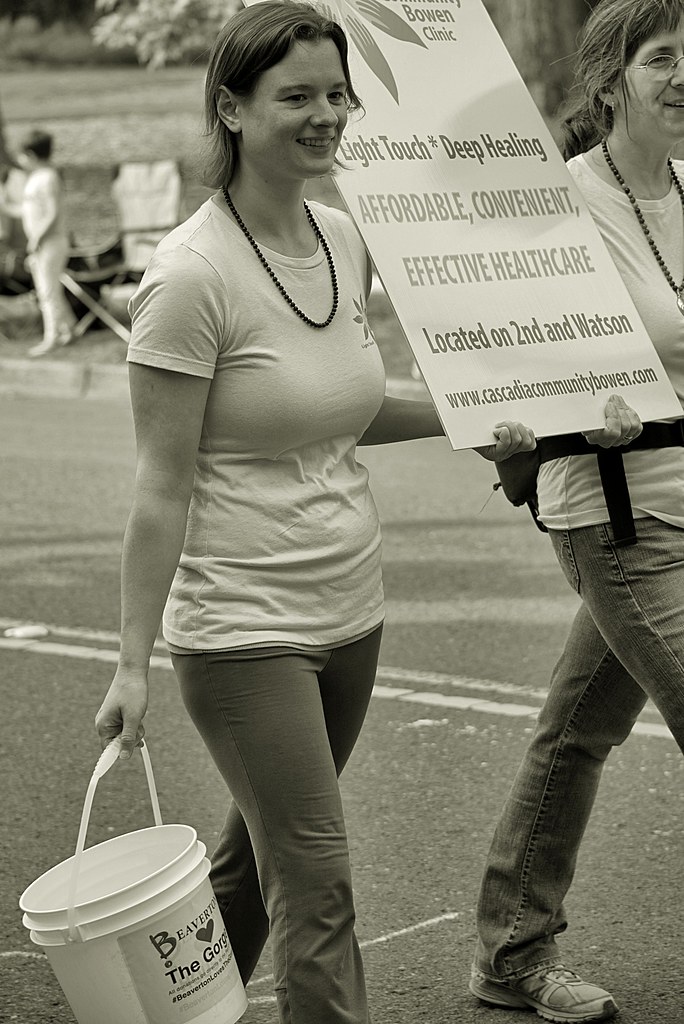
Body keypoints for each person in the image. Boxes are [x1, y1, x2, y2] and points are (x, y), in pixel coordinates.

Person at [93, 5, 537, 1023]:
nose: (326, 114)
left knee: (257, 863)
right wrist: (130, 663)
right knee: (319, 885)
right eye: (297, 95)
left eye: (337, 93)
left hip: (351, 610)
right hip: (245, 632)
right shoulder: (189, 277)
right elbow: (160, 486)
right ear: (232, 108)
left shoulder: (340, 235)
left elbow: (346, 402)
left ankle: (165, 1013)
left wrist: (479, 415)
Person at [470, 1, 684, 1021]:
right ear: (610, 80)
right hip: (616, 516)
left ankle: (510, 953)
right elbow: (504, 357)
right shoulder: (558, 205)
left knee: (575, 732)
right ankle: (513, 952)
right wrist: (569, 406)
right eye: (664, 59)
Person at [17, 129, 75, 357]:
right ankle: (68, 328)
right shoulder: (36, 178)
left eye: (22, 156)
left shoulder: (49, 177)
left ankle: (51, 338)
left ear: (30, 154)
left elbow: (52, 213)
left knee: (47, 291)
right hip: (43, 243)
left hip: (51, 243)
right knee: (51, 288)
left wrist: (36, 238)